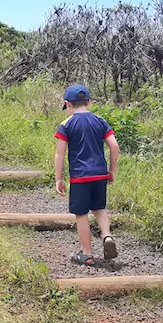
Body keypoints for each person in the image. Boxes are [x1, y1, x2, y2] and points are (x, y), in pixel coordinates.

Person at [54, 84, 120, 266]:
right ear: (89, 102)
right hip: (100, 174)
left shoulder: (66, 124)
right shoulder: (100, 121)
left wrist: (59, 179)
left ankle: (87, 253)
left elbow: (60, 153)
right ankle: (107, 236)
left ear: (68, 104)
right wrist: (111, 170)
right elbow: (114, 147)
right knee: (99, 208)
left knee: (81, 213)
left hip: (80, 176)